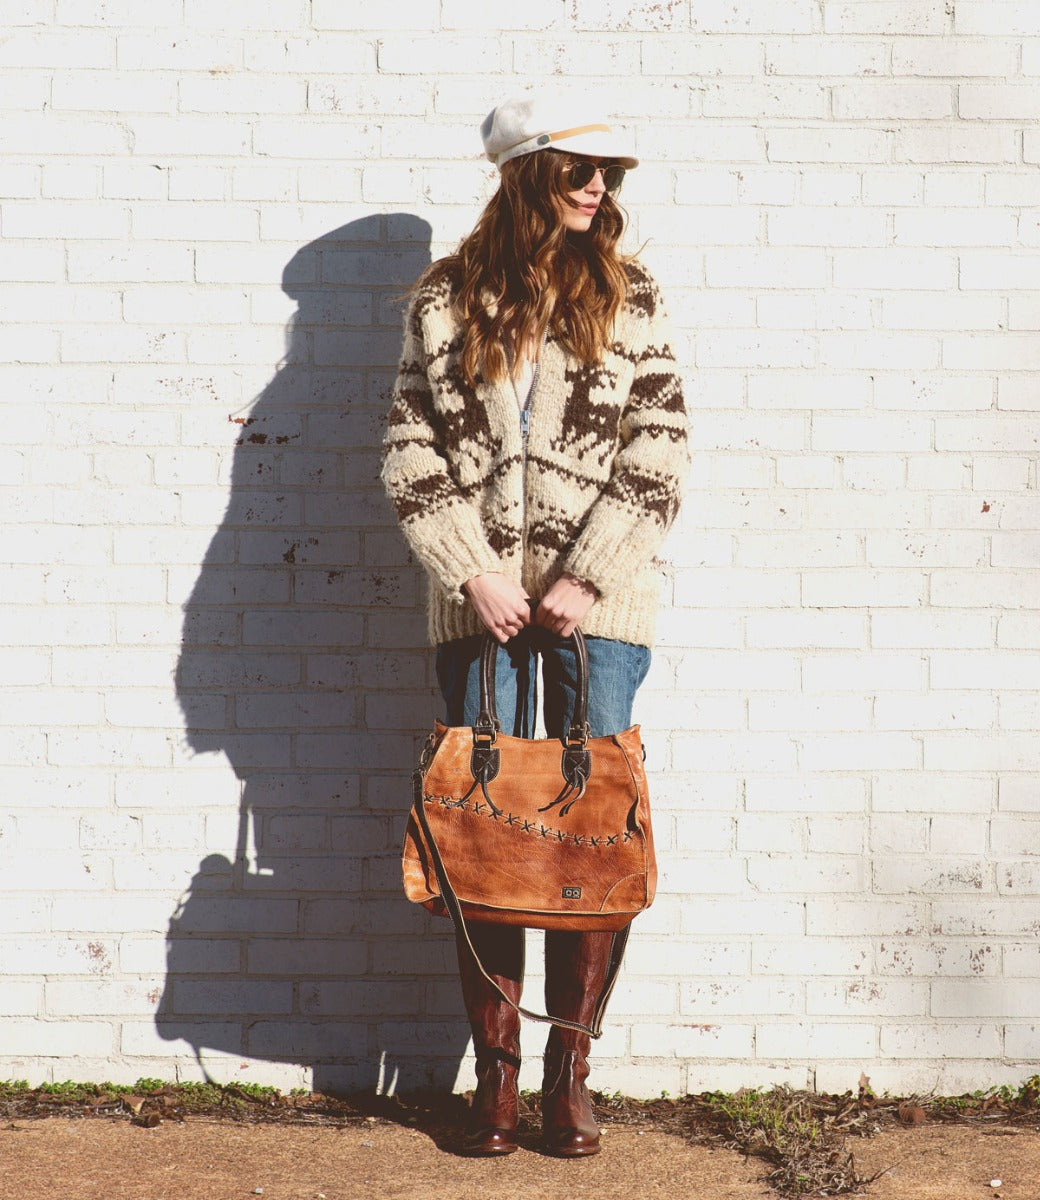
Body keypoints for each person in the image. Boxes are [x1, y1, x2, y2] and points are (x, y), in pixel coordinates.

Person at [381, 93, 689, 1158]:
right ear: (527, 174)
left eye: (610, 172)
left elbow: (660, 446)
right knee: (487, 841)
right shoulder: (442, 299)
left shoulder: (629, 295)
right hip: (479, 617)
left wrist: (587, 578)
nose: (601, 188)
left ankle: (571, 1076)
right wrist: (473, 573)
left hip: (597, 619)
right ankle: (496, 1082)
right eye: (579, 169)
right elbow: (407, 448)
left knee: (587, 844)